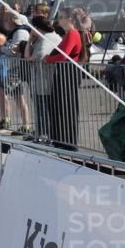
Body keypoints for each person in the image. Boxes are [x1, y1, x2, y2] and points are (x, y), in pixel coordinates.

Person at [45, 9, 88, 150]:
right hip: (63, 73)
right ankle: (60, 139)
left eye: (62, 17)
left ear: (70, 19)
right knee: (59, 106)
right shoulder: (68, 34)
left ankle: (67, 141)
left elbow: (64, 56)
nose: (59, 20)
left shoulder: (72, 34)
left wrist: (48, 59)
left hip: (67, 74)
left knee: (65, 106)